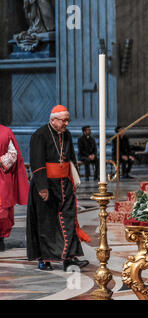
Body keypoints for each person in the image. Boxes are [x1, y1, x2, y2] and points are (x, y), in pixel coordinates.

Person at [26, 105, 90, 271]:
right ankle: (44, 259)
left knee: (68, 220)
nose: (66, 124)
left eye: (68, 120)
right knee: (46, 223)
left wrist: (74, 179)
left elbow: (70, 158)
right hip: (46, 185)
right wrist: (42, 187)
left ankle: (69, 258)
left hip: (64, 184)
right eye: (63, 120)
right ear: (53, 120)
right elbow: (37, 163)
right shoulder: (40, 135)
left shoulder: (66, 134)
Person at [0, 126, 29, 252]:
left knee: (2, 211)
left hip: (1, 177)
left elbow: (13, 154)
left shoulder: (5, 132)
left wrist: (1, 161)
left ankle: (0, 238)